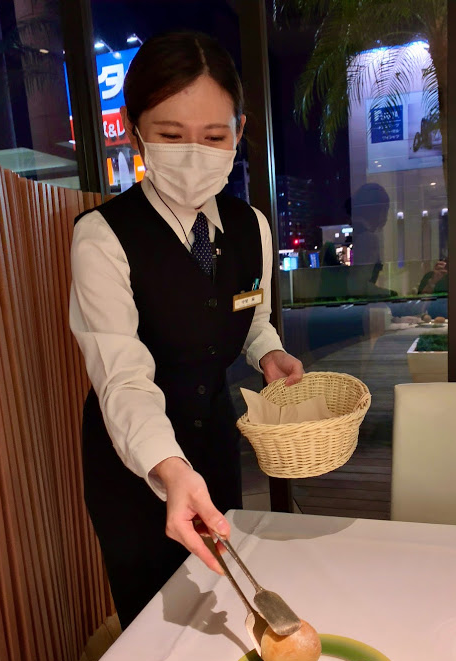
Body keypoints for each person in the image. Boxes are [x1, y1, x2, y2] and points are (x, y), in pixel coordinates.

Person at [69, 32, 304, 628]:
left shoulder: (252, 227)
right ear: (136, 130)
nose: (194, 153)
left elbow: (251, 315)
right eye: (171, 136)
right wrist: (169, 468)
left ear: (239, 131)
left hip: (215, 442)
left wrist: (269, 353)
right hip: (136, 460)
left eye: (214, 136)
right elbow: (122, 377)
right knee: (156, 618)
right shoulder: (102, 236)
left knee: (226, 597)